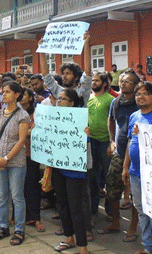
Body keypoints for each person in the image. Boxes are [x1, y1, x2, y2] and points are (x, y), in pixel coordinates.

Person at [122, 81, 152, 254]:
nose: (140, 97)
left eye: (144, 93)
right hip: (135, 172)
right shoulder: (134, 116)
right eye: (137, 94)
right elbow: (129, 142)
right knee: (142, 210)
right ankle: (148, 247)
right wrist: (125, 166)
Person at [98, 71, 139, 242]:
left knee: (136, 195)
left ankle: (133, 227)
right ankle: (115, 222)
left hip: (137, 156)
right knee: (112, 189)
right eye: (121, 81)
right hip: (119, 153)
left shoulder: (139, 102)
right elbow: (111, 121)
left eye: (128, 81)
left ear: (136, 85)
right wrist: (111, 140)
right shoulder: (116, 102)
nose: (123, 84)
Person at [0, 81, 30, 246]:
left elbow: (21, 140)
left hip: (16, 162)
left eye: (8, 92)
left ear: (17, 94)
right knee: (2, 195)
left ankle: (19, 229)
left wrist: (6, 158)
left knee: (17, 196)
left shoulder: (22, 115)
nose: (4, 94)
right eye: (3, 91)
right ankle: (3, 226)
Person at [52, 88, 91, 254]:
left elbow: (85, 142)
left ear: (72, 103)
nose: (59, 101)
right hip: (58, 167)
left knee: (76, 208)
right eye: (58, 99)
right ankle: (69, 237)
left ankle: (83, 247)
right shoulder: (53, 119)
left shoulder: (80, 119)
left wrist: (86, 134)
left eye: (63, 99)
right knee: (62, 204)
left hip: (74, 170)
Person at [87, 72, 114, 214]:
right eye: (93, 80)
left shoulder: (110, 100)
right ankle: (93, 208)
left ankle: (110, 210)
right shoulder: (88, 99)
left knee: (109, 177)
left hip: (105, 143)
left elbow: (113, 122)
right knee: (93, 178)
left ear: (104, 83)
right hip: (91, 142)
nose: (94, 82)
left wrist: (111, 142)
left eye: (97, 80)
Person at [19, 88, 45, 232]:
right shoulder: (14, 111)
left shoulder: (37, 113)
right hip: (16, 154)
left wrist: (25, 132)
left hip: (32, 154)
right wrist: (27, 131)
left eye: (25, 95)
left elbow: (38, 130)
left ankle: (35, 217)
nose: (22, 97)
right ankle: (19, 216)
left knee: (32, 187)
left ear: (30, 98)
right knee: (17, 188)